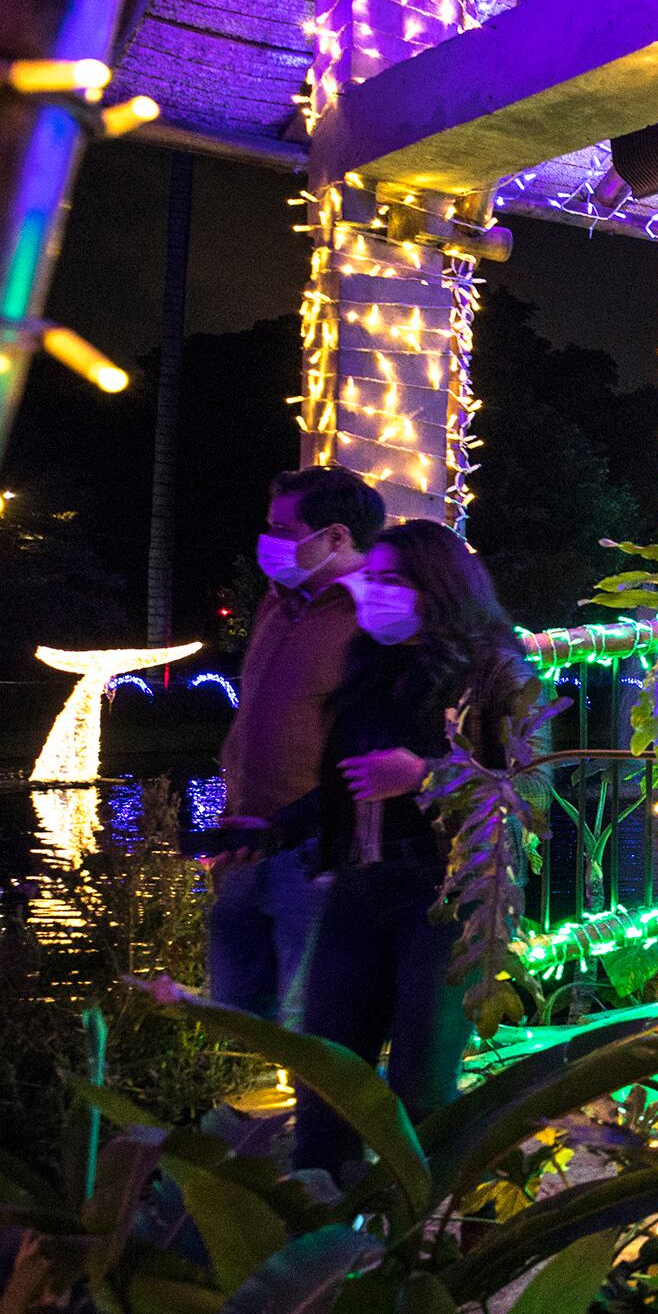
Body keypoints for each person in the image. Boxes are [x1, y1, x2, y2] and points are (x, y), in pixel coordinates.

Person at [291, 519, 536, 1174]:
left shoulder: (497, 671)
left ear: (438, 585)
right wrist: (269, 833)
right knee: (326, 1083)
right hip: (357, 889)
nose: (374, 594)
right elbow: (345, 785)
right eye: (371, 580)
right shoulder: (372, 669)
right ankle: (323, 1251)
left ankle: (434, 1250)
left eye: (390, 581)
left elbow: (529, 782)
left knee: (422, 1092)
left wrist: (426, 775)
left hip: (445, 896)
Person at [204, 465, 384, 1030]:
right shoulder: (278, 601)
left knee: (312, 1021)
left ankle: (320, 1119)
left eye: (285, 529)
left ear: (335, 537)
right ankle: (256, 1115)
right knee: (236, 1014)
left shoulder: (373, 615)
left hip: (313, 850)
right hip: (243, 838)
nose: (270, 542)